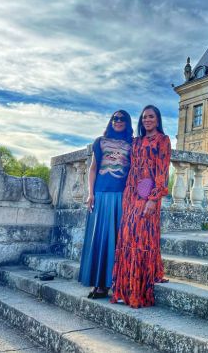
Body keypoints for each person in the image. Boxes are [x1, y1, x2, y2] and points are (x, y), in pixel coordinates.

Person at [111, 105, 171, 308]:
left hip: (149, 192)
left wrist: (153, 199)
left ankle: (140, 288)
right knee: (127, 237)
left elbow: (162, 171)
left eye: (151, 116)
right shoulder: (135, 141)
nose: (147, 120)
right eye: (144, 117)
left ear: (157, 119)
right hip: (131, 193)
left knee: (142, 236)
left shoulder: (163, 140)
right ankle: (125, 288)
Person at [78, 110, 133, 298]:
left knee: (117, 240)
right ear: (111, 121)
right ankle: (99, 283)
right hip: (101, 194)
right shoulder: (100, 141)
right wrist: (90, 193)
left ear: (127, 122)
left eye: (122, 119)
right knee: (100, 239)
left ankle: (115, 283)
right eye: (115, 118)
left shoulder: (132, 144)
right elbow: (93, 168)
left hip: (121, 196)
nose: (118, 121)